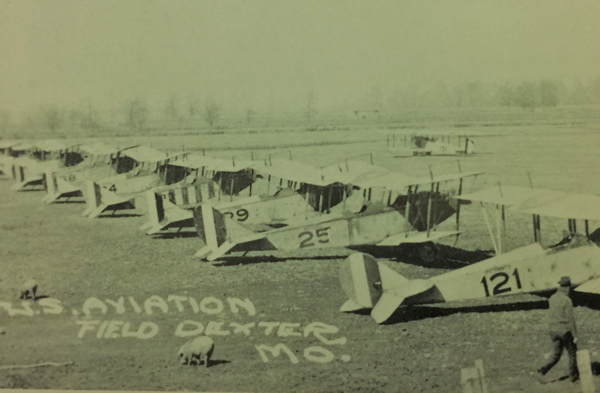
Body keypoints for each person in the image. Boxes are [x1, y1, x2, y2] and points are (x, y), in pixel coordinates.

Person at [537, 276, 579, 382]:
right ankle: (573, 377)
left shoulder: (552, 298)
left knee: (556, 353)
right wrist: (575, 335)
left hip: (553, 330)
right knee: (572, 352)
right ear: (568, 287)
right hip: (564, 330)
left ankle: (543, 370)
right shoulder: (567, 300)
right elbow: (570, 319)